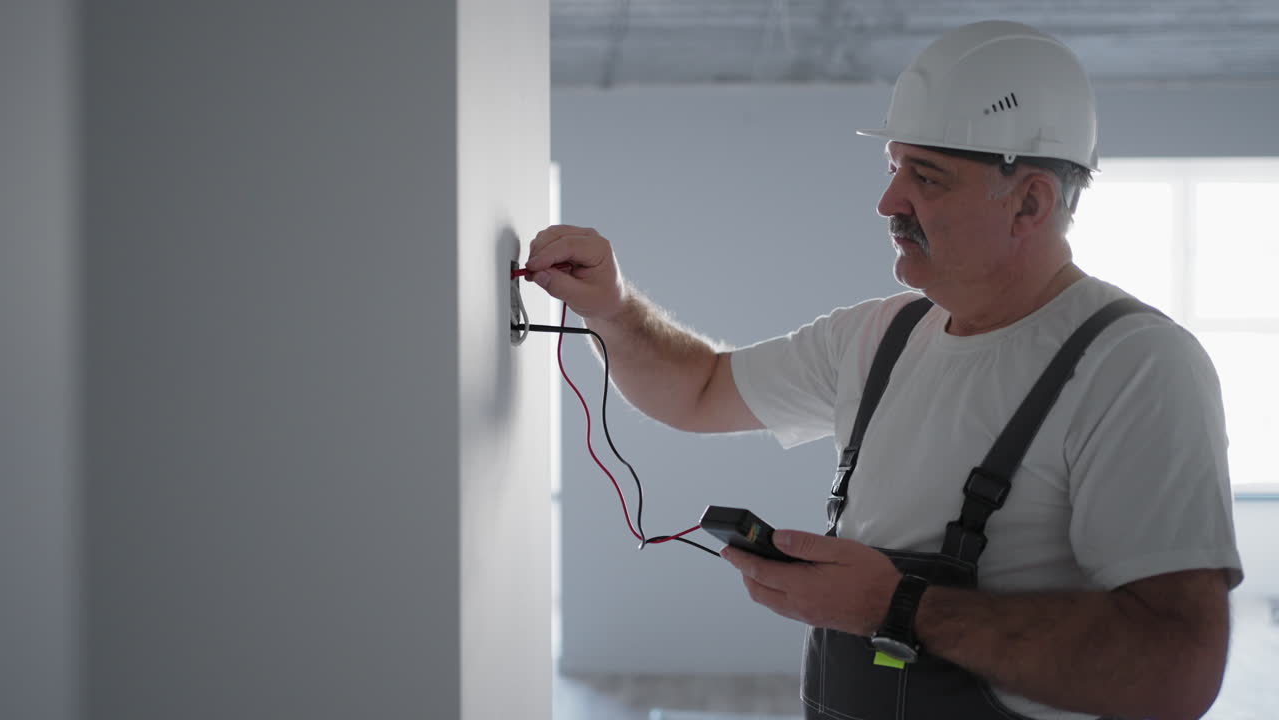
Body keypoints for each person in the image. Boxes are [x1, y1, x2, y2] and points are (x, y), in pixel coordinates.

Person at [525, 20, 1242, 720]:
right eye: (893, 165)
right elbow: (699, 389)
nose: (887, 201)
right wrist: (613, 308)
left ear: (1030, 202)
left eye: (925, 176)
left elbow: (1176, 670)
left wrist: (894, 607)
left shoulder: (1136, 368)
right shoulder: (879, 337)